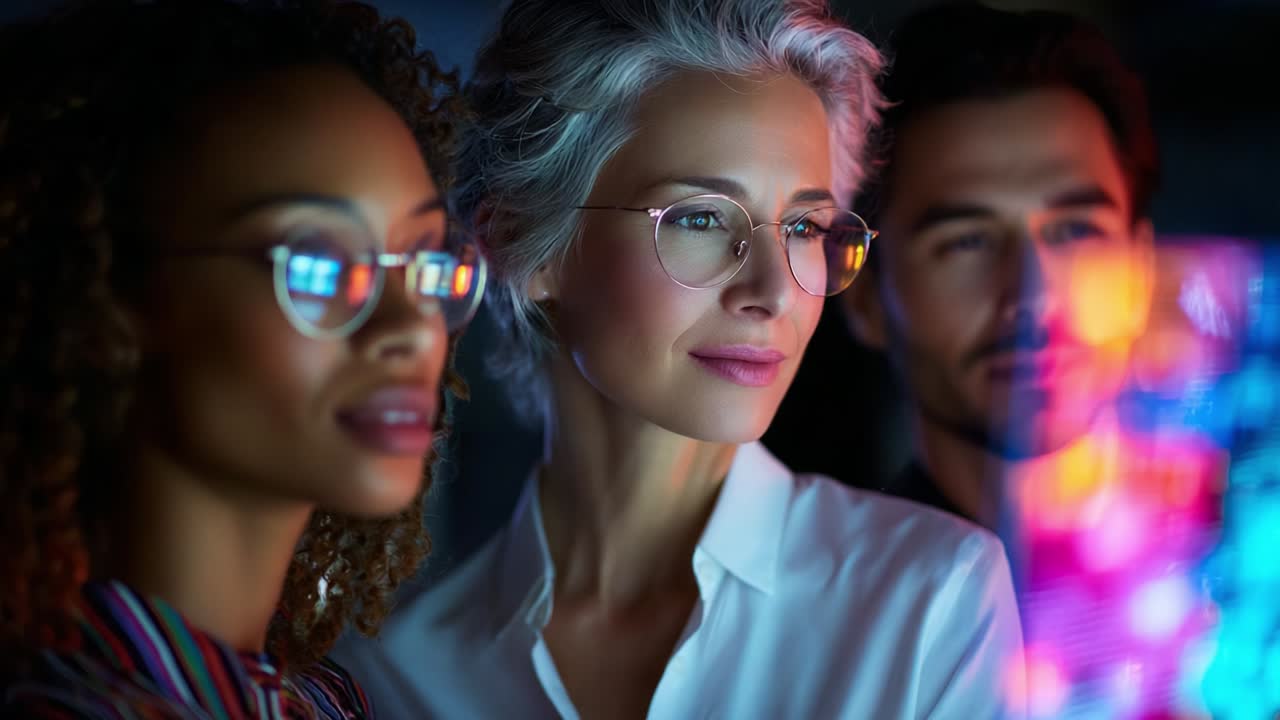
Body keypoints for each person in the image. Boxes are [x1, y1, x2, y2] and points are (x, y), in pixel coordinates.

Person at [332, 0, 1025, 717]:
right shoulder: (393, 681)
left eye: (803, 227)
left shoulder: (928, 601)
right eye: (701, 218)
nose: (772, 291)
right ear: (520, 243)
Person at [0, 0, 484, 716]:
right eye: (317, 264)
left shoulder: (323, 701)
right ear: (111, 286)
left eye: (420, 261)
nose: (411, 327)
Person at [842, 3, 1221, 714]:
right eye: (966, 241)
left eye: (1076, 230)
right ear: (864, 294)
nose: (1033, 293)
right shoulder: (819, 627)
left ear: (1141, 264)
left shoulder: (1243, 585)